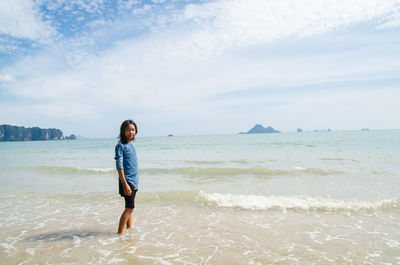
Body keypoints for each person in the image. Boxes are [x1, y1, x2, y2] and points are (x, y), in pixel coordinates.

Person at [114, 120, 139, 234]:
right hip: (127, 181)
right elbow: (119, 165)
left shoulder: (131, 144)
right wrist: (124, 183)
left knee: (129, 207)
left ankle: (129, 229)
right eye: (128, 130)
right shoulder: (120, 146)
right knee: (130, 208)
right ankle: (119, 234)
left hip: (134, 180)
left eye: (133, 130)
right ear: (123, 131)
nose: (131, 132)